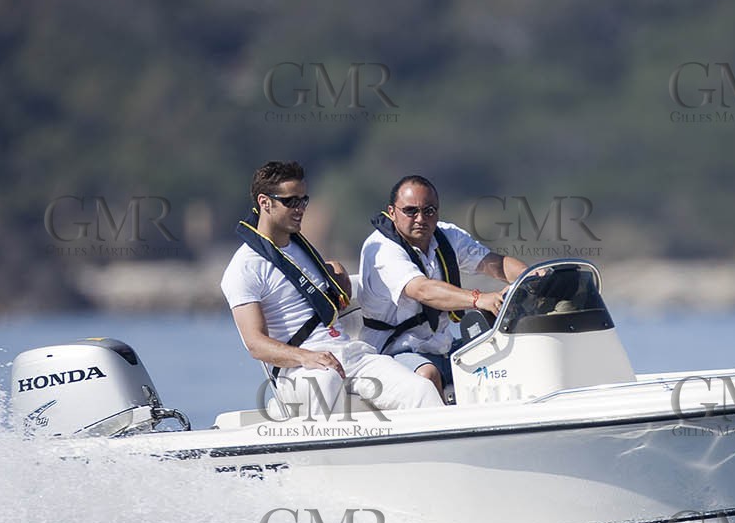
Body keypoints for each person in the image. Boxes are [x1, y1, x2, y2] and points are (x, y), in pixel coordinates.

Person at [220, 161, 442, 419]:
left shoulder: (300, 249)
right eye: (291, 201)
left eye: (304, 201)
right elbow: (255, 344)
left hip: (348, 354)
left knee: (421, 390)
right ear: (265, 202)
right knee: (326, 382)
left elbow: (312, 279)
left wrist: (335, 271)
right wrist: (306, 357)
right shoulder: (244, 268)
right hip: (298, 369)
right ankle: (325, 458)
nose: (300, 209)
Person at [358, 174, 527, 395]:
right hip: (391, 351)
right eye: (410, 211)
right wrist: (479, 299)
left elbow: (494, 264)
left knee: (508, 356)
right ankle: (447, 428)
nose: (420, 218)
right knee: (427, 376)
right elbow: (422, 290)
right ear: (392, 212)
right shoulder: (381, 249)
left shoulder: (448, 236)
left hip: (441, 345)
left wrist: (531, 277)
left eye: (429, 211)